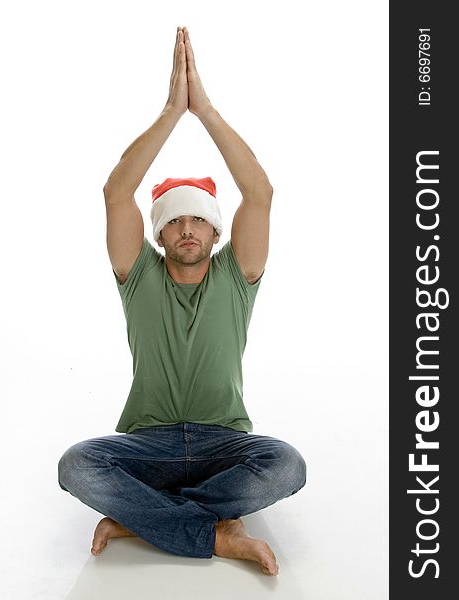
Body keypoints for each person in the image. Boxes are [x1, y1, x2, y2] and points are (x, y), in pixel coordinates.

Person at [58, 26, 306, 577]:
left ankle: (143, 521)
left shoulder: (237, 276)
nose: (187, 229)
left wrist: (206, 109)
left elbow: (260, 194)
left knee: (286, 464)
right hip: (149, 446)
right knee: (78, 465)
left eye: (199, 219)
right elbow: (116, 193)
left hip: (225, 443)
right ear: (159, 234)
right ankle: (218, 530)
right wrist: (173, 111)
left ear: (216, 233)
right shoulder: (138, 274)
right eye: (174, 221)